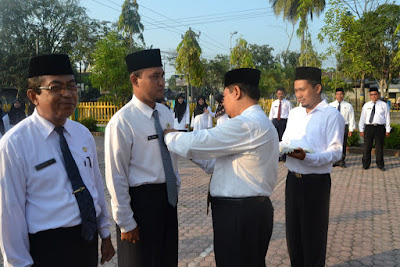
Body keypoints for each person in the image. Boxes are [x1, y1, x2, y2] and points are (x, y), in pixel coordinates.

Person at [0, 54, 115, 267]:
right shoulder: (14, 145)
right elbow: (9, 215)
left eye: (72, 86)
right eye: (56, 87)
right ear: (33, 96)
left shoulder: (82, 134)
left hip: (85, 241)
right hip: (47, 248)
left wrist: (105, 232)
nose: (68, 94)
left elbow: (94, 186)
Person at [164, 68, 279, 267]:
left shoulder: (246, 124)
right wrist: (194, 154)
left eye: (224, 96)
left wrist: (169, 135)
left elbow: (197, 142)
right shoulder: (256, 122)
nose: (223, 103)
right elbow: (215, 164)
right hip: (245, 212)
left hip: (240, 215)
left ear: (236, 92)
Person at [105, 49, 180, 267]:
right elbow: (116, 175)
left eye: (162, 76)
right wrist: (126, 221)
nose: (162, 82)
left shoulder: (165, 114)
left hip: (167, 201)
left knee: (166, 260)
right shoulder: (122, 121)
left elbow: (172, 157)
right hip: (140, 205)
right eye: (154, 76)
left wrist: (175, 186)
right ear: (134, 79)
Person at [280, 66, 344, 267]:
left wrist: (308, 158)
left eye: (302, 89)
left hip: (315, 183)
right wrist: (281, 149)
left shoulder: (331, 115)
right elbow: (286, 140)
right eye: (296, 90)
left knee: (313, 237)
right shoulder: (295, 113)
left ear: (317, 88)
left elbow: (336, 152)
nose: (298, 95)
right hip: (293, 180)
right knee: (294, 236)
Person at [359, 87, 391, 171]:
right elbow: (362, 118)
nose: (373, 96)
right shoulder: (366, 105)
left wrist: (388, 130)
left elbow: (388, 118)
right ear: (369, 95)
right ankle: (365, 164)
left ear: (378, 95)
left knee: (379, 147)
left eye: (375, 94)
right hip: (369, 127)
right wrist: (361, 129)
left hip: (379, 128)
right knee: (367, 147)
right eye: (371, 95)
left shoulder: (384, 105)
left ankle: (380, 164)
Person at [329, 88, 356, 167]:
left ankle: (341, 161)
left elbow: (351, 118)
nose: (339, 96)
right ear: (335, 95)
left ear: (343, 95)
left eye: (341, 94)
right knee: (333, 144)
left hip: (344, 126)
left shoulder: (348, 106)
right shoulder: (331, 105)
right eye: (337, 94)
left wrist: (351, 129)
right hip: (333, 127)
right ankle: (334, 160)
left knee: (343, 144)